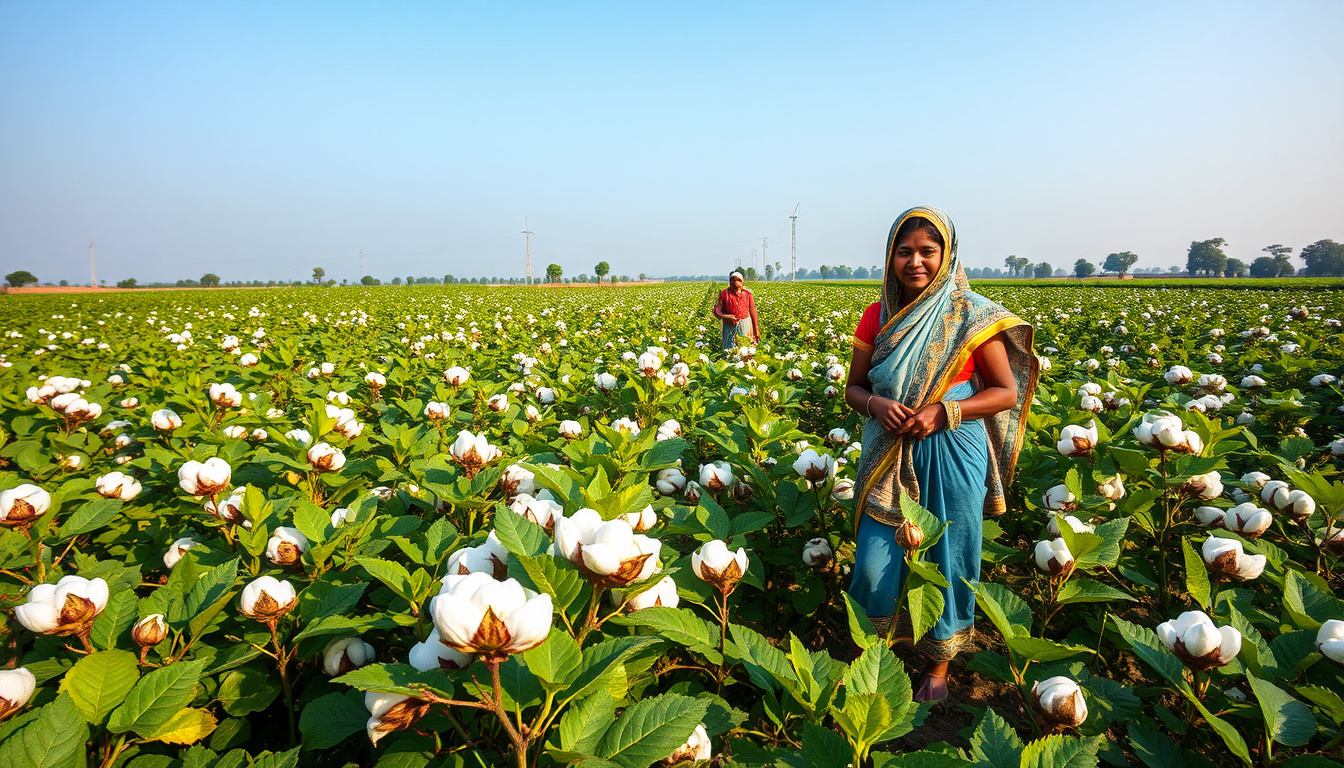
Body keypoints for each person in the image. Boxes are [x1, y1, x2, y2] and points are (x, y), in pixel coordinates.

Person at [844, 206, 1037, 702]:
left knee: (950, 554)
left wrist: (945, 412)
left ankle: (938, 665)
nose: (915, 262)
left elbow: (1005, 392)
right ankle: (874, 657)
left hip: (953, 448)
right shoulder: (877, 315)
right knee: (873, 562)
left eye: (928, 251)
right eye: (904, 251)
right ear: (890, 256)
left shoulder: (972, 315)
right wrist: (876, 404)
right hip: (890, 448)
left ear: (947, 255)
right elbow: (854, 388)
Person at [713, 270, 760, 351]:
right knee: (729, 348)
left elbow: (753, 310)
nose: (736, 282)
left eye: (738, 280)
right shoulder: (724, 293)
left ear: (742, 282)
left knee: (744, 346)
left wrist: (756, 329)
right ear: (730, 282)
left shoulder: (747, 294)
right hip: (729, 324)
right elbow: (717, 311)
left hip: (744, 323)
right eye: (733, 280)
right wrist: (726, 317)